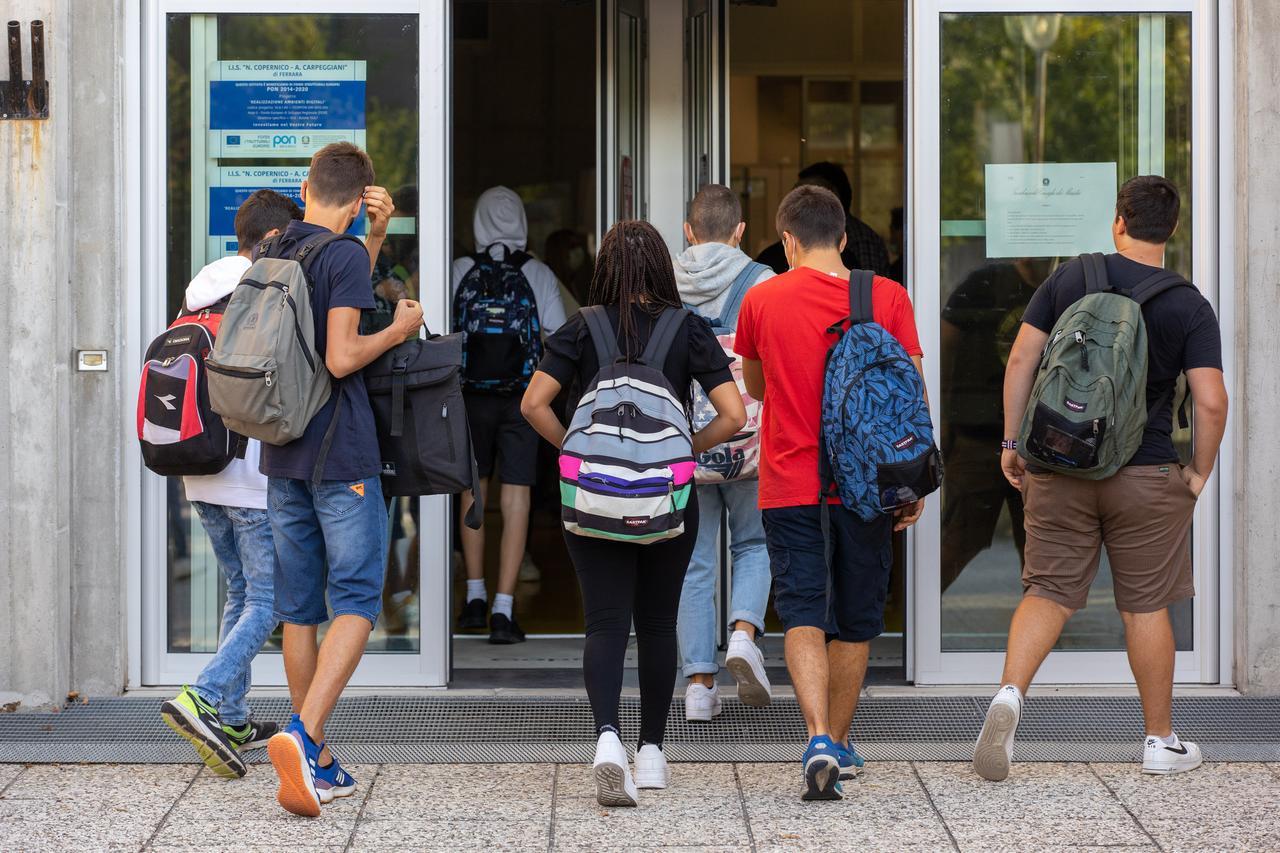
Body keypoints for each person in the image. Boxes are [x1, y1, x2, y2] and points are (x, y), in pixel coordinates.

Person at [978, 176, 1228, 781]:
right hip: (1145, 472)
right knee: (1145, 604)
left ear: (1119, 219)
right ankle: (1159, 742)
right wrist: (1197, 473)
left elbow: (1021, 360)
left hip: (1061, 464)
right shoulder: (1188, 303)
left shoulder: (1071, 278)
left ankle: (1009, 697)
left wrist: (1013, 443)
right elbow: (1212, 401)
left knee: (1047, 590)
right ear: (1171, 230)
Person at [521, 220, 746, 807]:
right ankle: (651, 754)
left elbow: (533, 404)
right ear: (660, 270)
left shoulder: (582, 326)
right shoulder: (687, 328)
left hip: (594, 497)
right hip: (666, 500)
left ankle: (606, 742)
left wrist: (579, 448)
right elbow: (730, 415)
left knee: (604, 624)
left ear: (605, 269)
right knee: (656, 624)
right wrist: (680, 451)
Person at [735, 185, 925, 801]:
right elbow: (911, 394)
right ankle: (839, 746)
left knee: (803, 610)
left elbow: (757, 387)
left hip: (790, 483)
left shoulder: (762, 300)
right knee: (856, 619)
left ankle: (815, 736)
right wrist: (911, 484)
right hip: (868, 487)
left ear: (787, 240)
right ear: (843, 238)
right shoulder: (888, 297)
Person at [263, 142, 424, 817]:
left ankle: (317, 759)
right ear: (358, 202)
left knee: (299, 606)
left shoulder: (275, 246)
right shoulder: (344, 258)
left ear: (306, 187)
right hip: (340, 452)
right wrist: (402, 328)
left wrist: (374, 236)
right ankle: (302, 734)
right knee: (358, 594)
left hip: (281, 452)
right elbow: (340, 354)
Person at [158, 189, 302, 779]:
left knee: (241, 593)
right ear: (271, 240)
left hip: (200, 471)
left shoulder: (199, 295)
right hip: (248, 475)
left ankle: (234, 716)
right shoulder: (259, 294)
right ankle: (205, 695)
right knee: (270, 600)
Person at [672, 184, 776, 721]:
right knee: (755, 544)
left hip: (689, 443)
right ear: (740, 232)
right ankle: (742, 633)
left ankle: (698, 685)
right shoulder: (763, 282)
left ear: (689, 231)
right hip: (751, 441)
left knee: (694, 561)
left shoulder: (665, 281)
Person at [451, 186, 568, 644]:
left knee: (473, 492)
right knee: (517, 496)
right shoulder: (537, 272)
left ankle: (473, 598)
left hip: (468, 396)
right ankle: (504, 607)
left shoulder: (461, 269)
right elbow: (557, 334)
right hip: (523, 398)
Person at [755, 162, 891, 277]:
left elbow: (871, 297)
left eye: (811, 195)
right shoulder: (770, 259)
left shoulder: (861, 241)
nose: (799, 202)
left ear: (842, 241)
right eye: (795, 194)